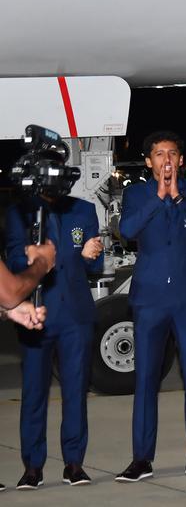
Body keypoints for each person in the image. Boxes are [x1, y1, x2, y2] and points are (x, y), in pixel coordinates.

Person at [115, 131, 186, 482]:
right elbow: (127, 228)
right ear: (149, 161)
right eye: (159, 154)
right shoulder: (136, 193)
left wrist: (177, 198)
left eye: (172, 154)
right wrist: (158, 197)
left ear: (181, 159)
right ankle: (141, 459)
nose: (167, 160)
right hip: (150, 299)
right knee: (145, 379)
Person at [5, 193, 100, 489]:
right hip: (36, 313)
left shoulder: (84, 209)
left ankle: (74, 464)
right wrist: (35, 255)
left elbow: (95, 266)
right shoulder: (19, 211)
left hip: (76, 315)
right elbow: (13, 259)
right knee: (34, 394)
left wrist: (88, 256)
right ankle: (32, 467)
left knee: (76, 391)